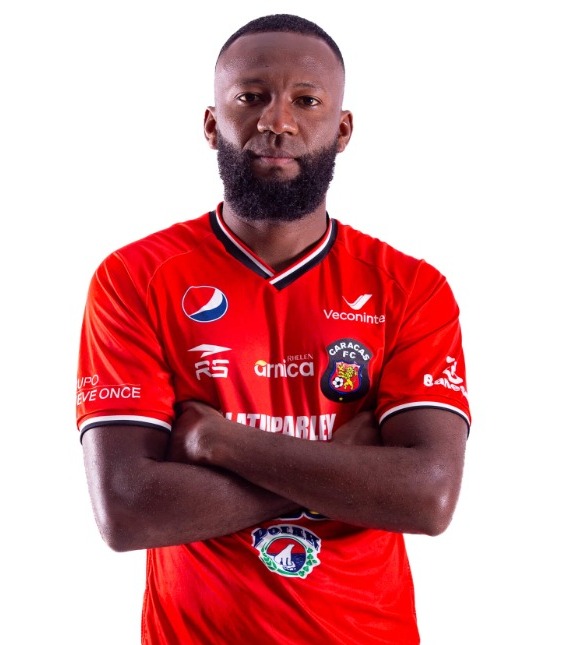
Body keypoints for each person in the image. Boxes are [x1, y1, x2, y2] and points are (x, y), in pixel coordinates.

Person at [76, 13, 470, 645]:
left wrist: (220, 442)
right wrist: (345, 470)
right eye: (251, 96)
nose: (276, 122)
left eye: (306, 101)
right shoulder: (136, 278)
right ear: (213, 123)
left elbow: (426, 499)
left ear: (343, 130)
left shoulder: (410, 287)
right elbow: (128, 511)